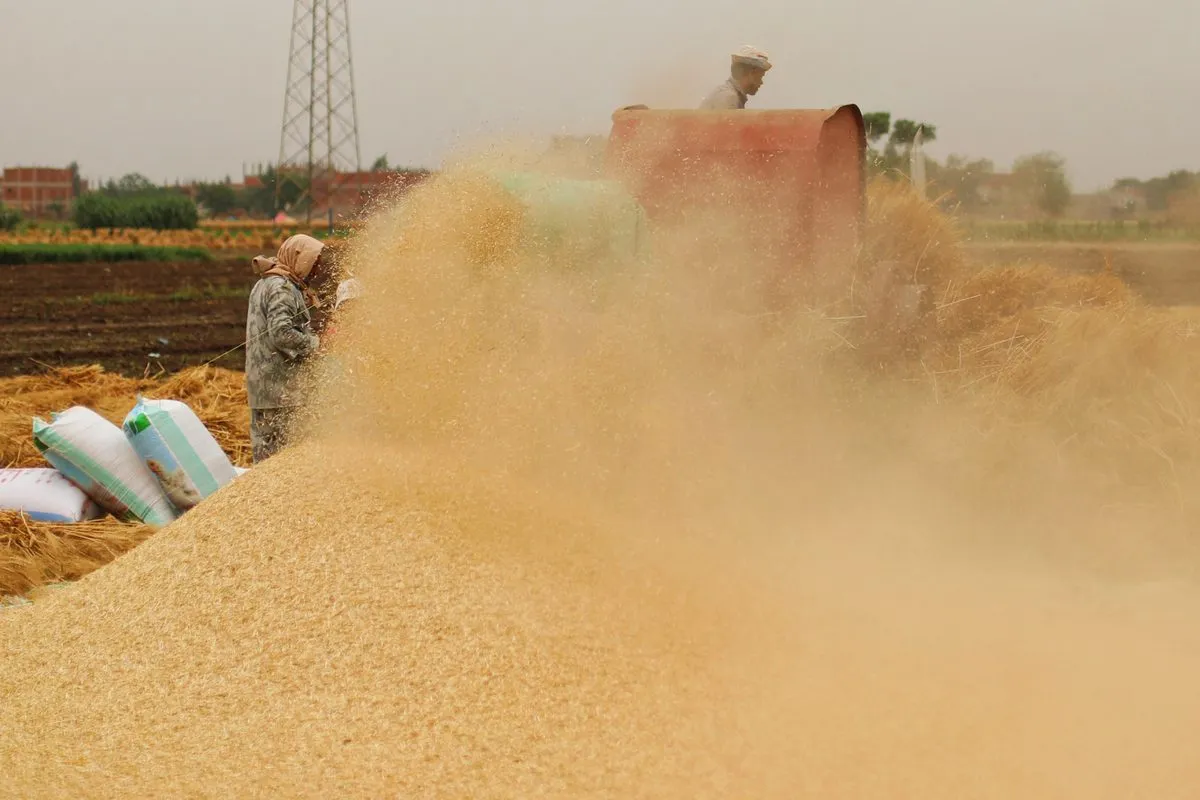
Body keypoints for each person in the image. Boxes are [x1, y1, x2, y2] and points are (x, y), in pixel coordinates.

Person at [244, 233, 328, 463]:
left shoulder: (268, 282)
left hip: (266, 386)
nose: (317, 270)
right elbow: (281, 333)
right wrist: (316, 344)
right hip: (279, 390)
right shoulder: (282, 288)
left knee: (266, 457)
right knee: (279, 460)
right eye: (314, 263)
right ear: (299, 259)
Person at [698, 45, 772, 110]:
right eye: (760, 77)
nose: (761, 82)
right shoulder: (729, 97)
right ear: (752, 73)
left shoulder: (728, 94)